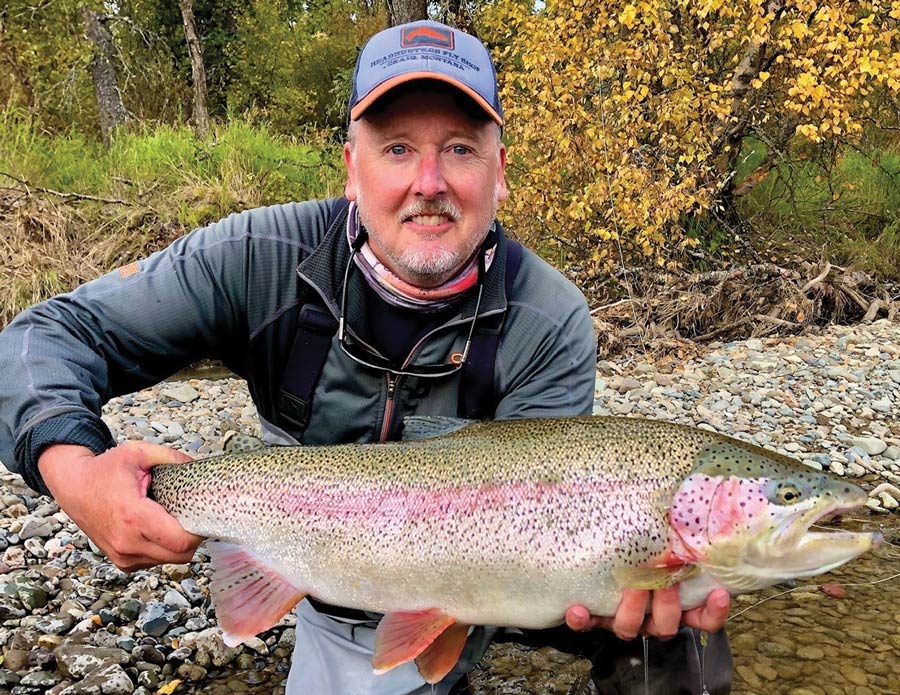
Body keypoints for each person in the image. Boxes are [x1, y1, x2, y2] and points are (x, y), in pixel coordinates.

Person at [0, 19, 731, 695]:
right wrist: (78, 472)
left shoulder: (551, 317)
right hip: (320, 557)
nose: (430, 181)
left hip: (505, 562)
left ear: (499, 170)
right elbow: (38, 338)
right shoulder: (258, 258)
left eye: (459, 148)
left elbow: (539, 521)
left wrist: (611, 583)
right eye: (398, 147)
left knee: (681, 621)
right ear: (352, 167)